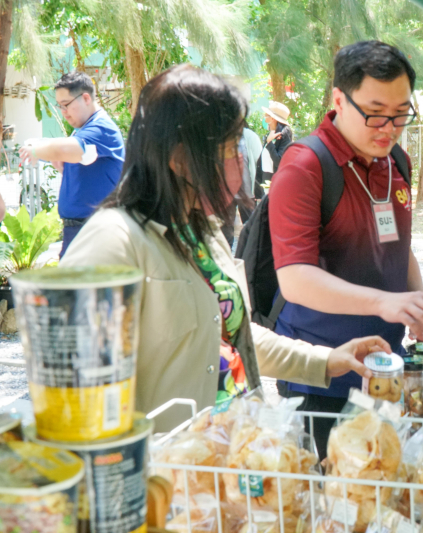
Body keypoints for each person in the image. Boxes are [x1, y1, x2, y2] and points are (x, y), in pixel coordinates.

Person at [59, 64, 390, 431]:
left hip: (237, 454)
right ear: (179, 158)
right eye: (231, 147)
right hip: (172, 464)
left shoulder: (203, 231)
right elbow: (77, 393)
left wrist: (327, 360)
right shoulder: (112, 243)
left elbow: (236, 334)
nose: (242, 159)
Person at [268, 40, 423, 455]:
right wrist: (384, 303)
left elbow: (399, 246)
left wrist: (416, 305)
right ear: (339, 99)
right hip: (322, 374)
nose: (389, 128)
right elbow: (295, 278)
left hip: (386, 368)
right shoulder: (305, 166)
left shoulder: (396, 160)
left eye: (401, 114)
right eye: (374, 113)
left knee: (384, 479)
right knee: (331, 488)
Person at [19, 71, 124, 257]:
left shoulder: (101, 127)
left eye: (66, 104)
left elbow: (66, 149)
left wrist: (36, 150)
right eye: (60, 106)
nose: (63, 112)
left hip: (96, 230)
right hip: (79, 229)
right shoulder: (82, 131)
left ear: (86, 98)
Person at [254, 102, 293, 198]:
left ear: (272, 118)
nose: (264, 117)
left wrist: (270, 143)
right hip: (265, 181)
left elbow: (279, 161)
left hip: (275, 183)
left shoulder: (284, 136)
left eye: (266, 115)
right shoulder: (270, 134)